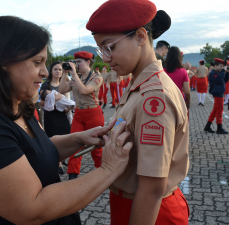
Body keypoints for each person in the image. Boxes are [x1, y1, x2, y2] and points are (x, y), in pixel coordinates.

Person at [0, 16, 133, 225]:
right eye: (36, 62)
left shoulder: (17, 105)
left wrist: (80, 138)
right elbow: (33, 209)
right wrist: (109, 169)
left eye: (45, 62)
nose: (45, 71)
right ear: (3, 62)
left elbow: (35, 151)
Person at [87, 1, 189, 224]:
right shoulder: (138, 83)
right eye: (100, 49)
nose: (105, 58)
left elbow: (152, 187)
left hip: (150, 210)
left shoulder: (155, 96)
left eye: (110, 46)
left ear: (141, 37)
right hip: (132, 203)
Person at [59, 51, 105, 180]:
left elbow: (84, 90)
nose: (76, 64)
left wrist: (74, 74)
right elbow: (62, 90)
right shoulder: (75, 76)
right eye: (75, 62)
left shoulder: (97, 77)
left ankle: (102, 172)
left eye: (79, 62)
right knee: (74, 144)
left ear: (88, 62)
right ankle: (72, 175)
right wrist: (64, 73)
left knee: (96, 146)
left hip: (93, 113)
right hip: (78, 114)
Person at [204, 58, 229, 134]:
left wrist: (227, 72)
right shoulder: (213, 73)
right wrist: (223, 71)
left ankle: (207, 126)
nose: (222, 68)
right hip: (217, 93)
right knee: (220, 110)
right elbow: (219, 80)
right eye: (220, 66)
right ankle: (219, 128)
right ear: (215, 66)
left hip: (219, 92)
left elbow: (224, 80)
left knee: (215, 110)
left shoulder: (218, 72)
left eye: (222, 66)